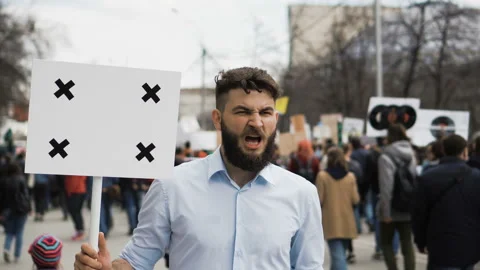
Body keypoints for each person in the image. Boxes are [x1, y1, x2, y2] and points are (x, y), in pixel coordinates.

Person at [74, 67, 325, 270]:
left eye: (265, 112)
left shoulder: (301, 194)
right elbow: (136, 261)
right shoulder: (171, 186)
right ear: (218, 119)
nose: (256, 122)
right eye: (243, 111)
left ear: (275, 120)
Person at [412, 134, 480, 270]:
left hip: (440, 245)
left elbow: (419, 214)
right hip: (469, 245)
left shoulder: (427, 177)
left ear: (443, 150)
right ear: (464, 151)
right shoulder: (476, 177)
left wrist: (420, 241)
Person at [377, 124, 417, 270]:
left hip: (392, 207)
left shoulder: (385, 156)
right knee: (407, 244)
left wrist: (385, 212)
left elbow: (386, 187)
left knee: (386, 243)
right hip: (408, 206)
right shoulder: (411, 154)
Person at [316, 147, 360, 270]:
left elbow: (319, 199)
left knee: (337, 256)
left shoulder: (322, 176)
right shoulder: (350, 176)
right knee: (339, 256)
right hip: (347, 220)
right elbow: (355, 199)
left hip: (330, 221)